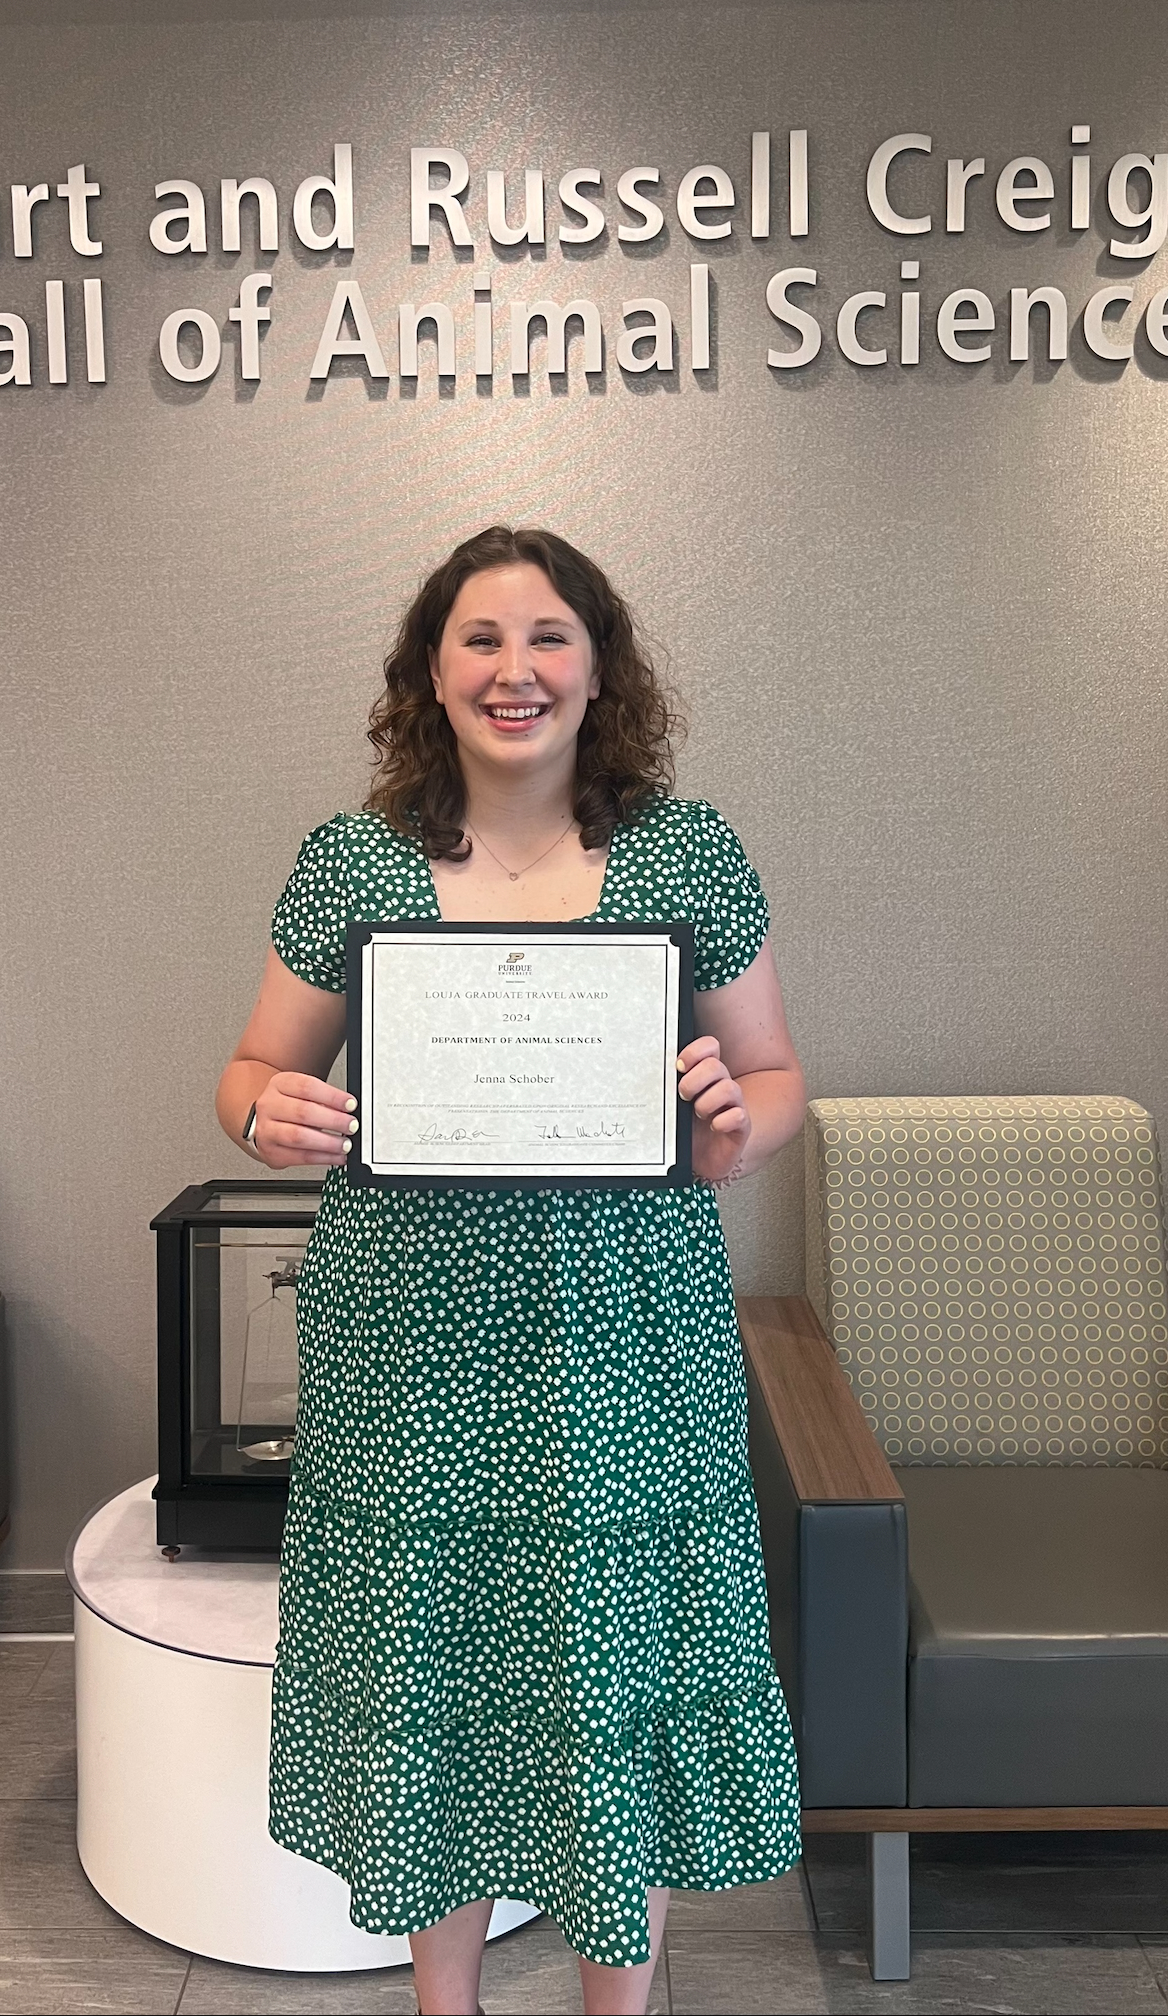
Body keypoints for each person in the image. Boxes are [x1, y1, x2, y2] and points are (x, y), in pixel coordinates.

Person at [216, 526, 805, 2016]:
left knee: (614, 1661)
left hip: (627, 1332)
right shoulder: (352, 859)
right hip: (410, 1341)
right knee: (434, 1665)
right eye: (479, 638)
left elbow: (778, 1075)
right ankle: (444, 2001)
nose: (514, 669)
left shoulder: (686, 852)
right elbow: (248, 1069)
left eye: (548, 636)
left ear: (599, 667)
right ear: (430, 670)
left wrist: (738, 1124)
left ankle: (619, 2001)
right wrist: (259, 1110)